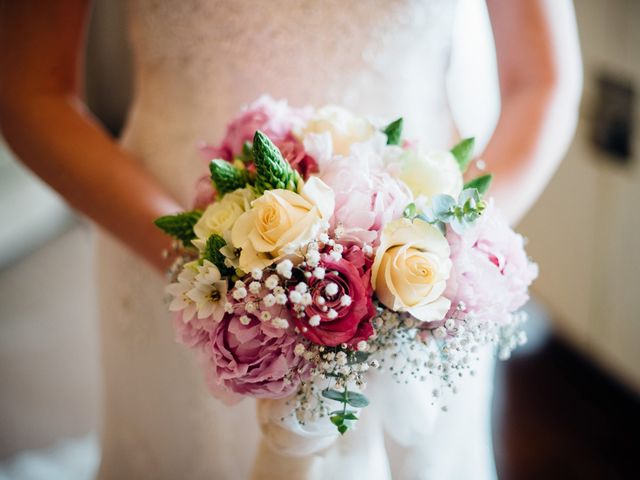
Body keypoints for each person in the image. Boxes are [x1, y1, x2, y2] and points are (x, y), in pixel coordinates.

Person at [0, 1, 581, 478]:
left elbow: (541, 82)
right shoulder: (195, 266)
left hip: (416, 266)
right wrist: (213, 274)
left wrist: (448, 257)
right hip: (170, 243)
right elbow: (29, 90)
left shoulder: (428, 271)